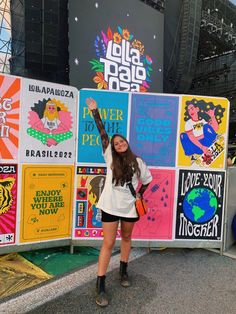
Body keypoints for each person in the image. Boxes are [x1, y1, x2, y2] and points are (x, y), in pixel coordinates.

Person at [86, 97, 152, 307]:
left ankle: (123, 272)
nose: (119, 144)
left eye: (121, 141)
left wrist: (140, 194)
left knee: (126, 237)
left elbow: (147, 181)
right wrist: (95, 112)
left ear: (126, 143)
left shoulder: (138, 161)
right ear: (112, 147)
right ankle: (101, 284)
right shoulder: (109, 157)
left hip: (130, 207)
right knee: (108, 243)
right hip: (110, 206)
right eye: (116, 143)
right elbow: (103, 133)